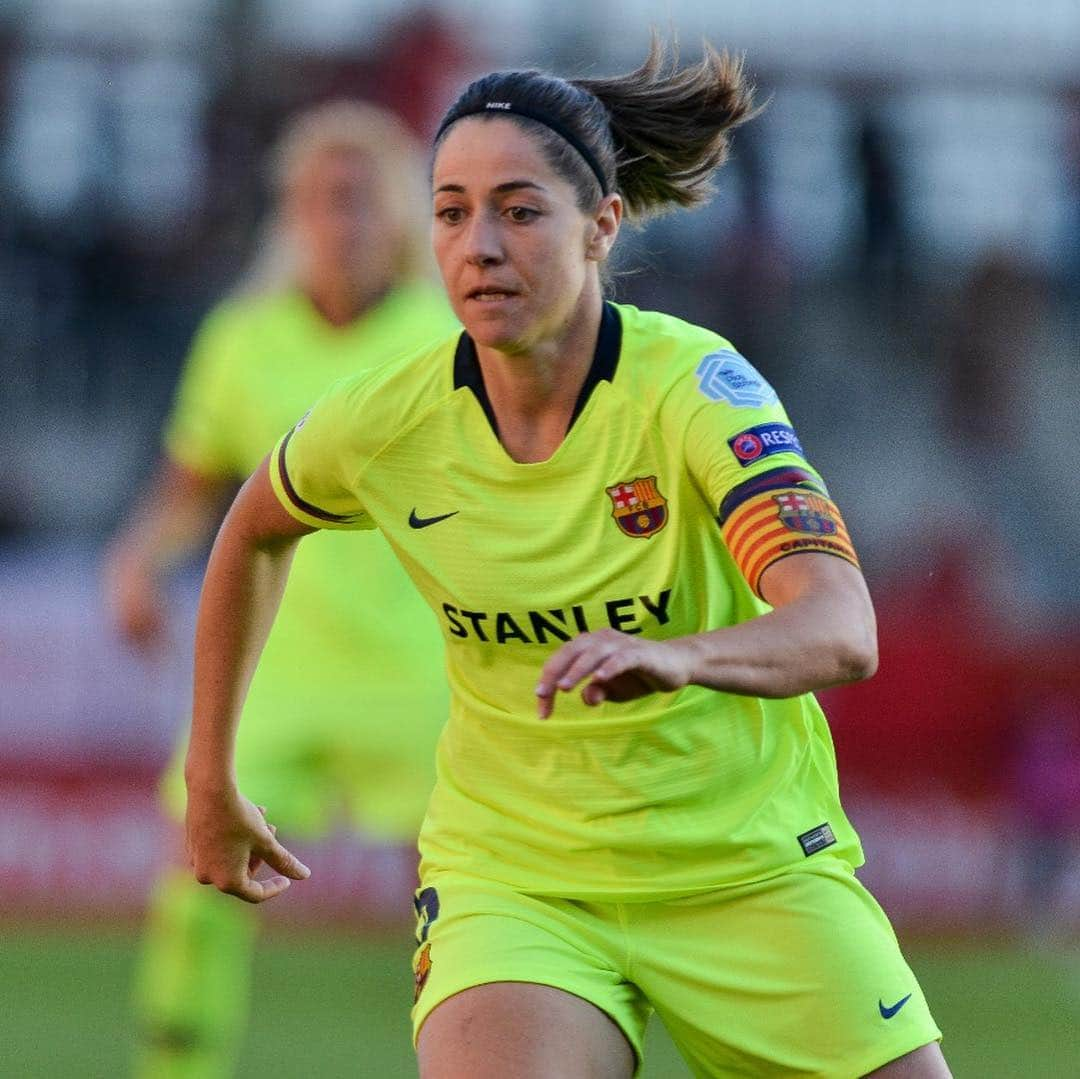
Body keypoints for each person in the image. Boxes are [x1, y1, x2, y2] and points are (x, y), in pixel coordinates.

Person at [183, 40, 952, 1079]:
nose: (479, 245)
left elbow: (841, 625)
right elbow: (255, 526)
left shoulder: (697, 389)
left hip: (748, 867)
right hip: (519, 877)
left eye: (519, 209)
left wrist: (687, 656)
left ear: (601, 227)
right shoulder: (387, 417)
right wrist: (209, 773)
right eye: (451, 212)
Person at [104, 100, 457, 1078]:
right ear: (285, 215)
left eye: (353, 199)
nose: (331, 221)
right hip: (273, 665)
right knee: (198, 882)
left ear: (394, 215)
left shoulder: (447, 338)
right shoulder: (244, 337)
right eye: (310, 200)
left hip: (420, 665)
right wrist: (136, 559)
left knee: (473, 900)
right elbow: (192, 479)